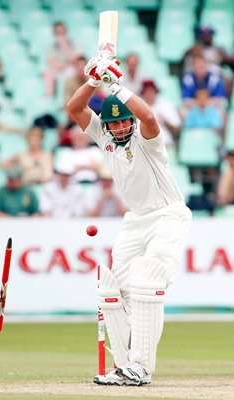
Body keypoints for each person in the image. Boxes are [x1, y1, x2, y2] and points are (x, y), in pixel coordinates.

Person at [67, 50, 192, 386]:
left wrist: (115, 85)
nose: (121, 126)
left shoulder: (147, 140)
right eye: (115, 122)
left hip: (168, 216)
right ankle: (124, 366)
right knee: (113, 291)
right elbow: (74, 109)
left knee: (147, 284)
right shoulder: (105, 140)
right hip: (135, 221)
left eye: (124, 120)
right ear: (106, 125)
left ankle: (140, 366)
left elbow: (149, 116)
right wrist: (94, 80)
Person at [43, 22, 82, 96]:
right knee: (48, 72)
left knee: (71, 72)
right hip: (59, 69)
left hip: (72, 69)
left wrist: (64, 44)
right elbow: (52, 62)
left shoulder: (75, 44)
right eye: (57, 32)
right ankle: (49, 98)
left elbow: (75, 60)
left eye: (62, 31)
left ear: (66, 31)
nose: (60, 34)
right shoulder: (51, 47)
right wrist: (64, 65)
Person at [140, 79, 181, 148]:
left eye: (151, 91)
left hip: (165, 143)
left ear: (155, 92)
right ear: (143, 93)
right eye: (147, 91)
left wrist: (164, 120)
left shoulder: (165, 105)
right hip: (145, 145)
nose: (149, 94)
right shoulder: (139, 107)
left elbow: (176, 127)